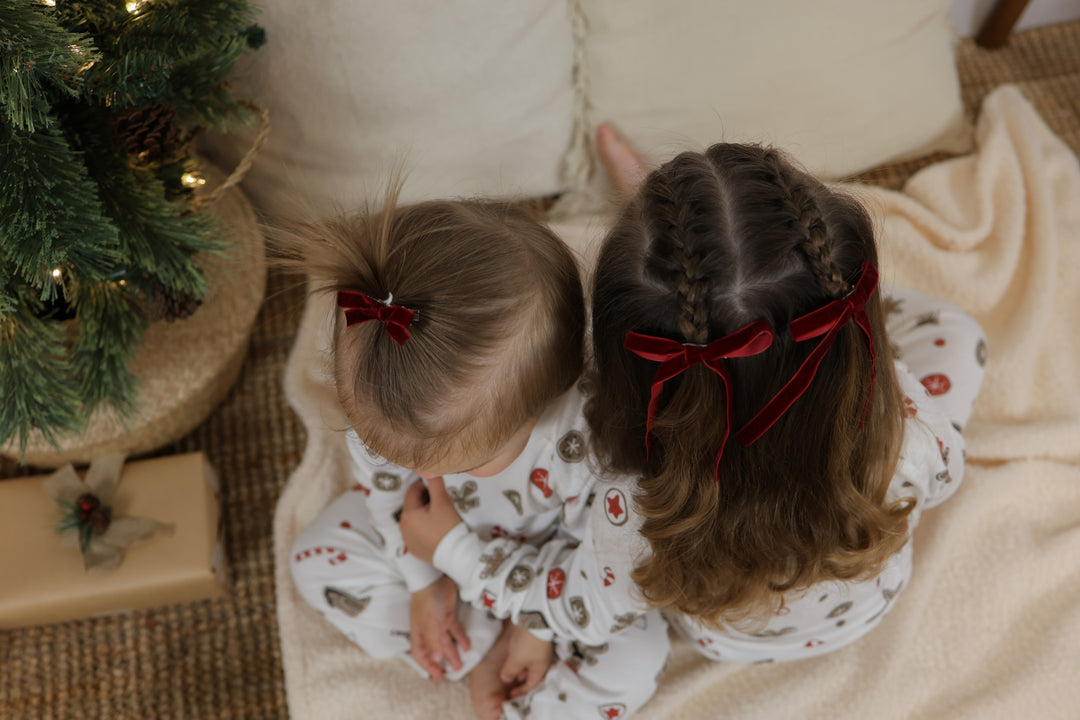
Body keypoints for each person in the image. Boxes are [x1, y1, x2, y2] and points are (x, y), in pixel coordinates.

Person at [401, 131, 986, 677]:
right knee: (957, 334)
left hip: (725, 641)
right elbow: (944, 473)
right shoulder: (906, 434)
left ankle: (734, 298)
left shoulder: (630, 509)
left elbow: (574, 610)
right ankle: (780, 316)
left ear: (618, 367)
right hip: (867, 608)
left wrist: (452, 550)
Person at [280, 184, 669, 720]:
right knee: (315, 559)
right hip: (446, 547)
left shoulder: (591, 441)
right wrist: (424, 583)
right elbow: (386, 495)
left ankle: (514, 679)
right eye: (378, 443)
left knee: (636, 654)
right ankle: (481, 645)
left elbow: (594, 556)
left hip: (557, 568)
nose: (417, 472)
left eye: (459, 464)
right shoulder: (384, 375)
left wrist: (536, 628)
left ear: (546, 398)